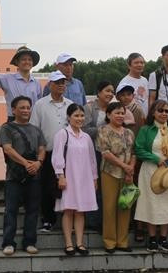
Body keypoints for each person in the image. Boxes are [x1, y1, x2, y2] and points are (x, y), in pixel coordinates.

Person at [134, 99, 168, 252]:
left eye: (166, 111)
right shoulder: (146, 129)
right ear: (153, 112)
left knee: (167, 204)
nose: (164, 113)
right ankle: (152, 239)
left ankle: (163, 238)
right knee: (152, 204)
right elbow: (138, 149)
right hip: (150, 170)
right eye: (160, 110)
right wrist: (156, 159)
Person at [0, 96, 46, 256]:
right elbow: (8, 149)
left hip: (34, 176)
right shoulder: (7, 128)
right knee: (10, 210)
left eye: (28, 107)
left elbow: (42, 148)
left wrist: (38, 163)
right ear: (14, 110)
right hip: (14, 177)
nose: (26, 110)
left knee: (32, 210)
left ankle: (29, 242)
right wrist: (26, 163)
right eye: (22, 107)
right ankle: (8, 242)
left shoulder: (36, 129)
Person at [29, 70, 73, 232]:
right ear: (50, 85)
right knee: (47, 187)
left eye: (63, 82)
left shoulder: (70, 104)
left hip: (68, 153)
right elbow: (34, 129)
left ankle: (67, 218)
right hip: (48, 152)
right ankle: (48, 219)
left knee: (68, 186)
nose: (61, 85)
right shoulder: (40, 105)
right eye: (57, 82)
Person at [52, 103, 98, 256]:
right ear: (69, 117)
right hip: (69, 177)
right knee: (69, 210)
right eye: (76, 115)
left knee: (80, 211)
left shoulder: (86, 137)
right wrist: (61, 176)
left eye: (82, 116)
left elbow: (92, 159)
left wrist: (94, 178)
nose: (80, 119)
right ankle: (69, 243)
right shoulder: (63, 134)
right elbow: (57, 156)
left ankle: (80, 242)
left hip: (84, 178)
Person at [96, 101, 137, 253]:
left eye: (122, 113)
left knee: (125, 205)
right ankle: (110, 242)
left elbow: (133, 152)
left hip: (127, 174)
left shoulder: (129, 132)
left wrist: (130, 168)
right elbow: (105, 153)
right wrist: (124, 166)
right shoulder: (103, 130)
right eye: (117, 113)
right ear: (108, 114)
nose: (120, 116)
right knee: (109, 207)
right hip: (110, 172)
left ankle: (122, 241)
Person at [0, 46, 42, 122]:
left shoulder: (36, 83)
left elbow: (39, 104)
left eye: (29, 60)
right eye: (24, 59)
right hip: (14, 120)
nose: (27, 62)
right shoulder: (8, 79)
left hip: (32, 120)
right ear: (17, 62)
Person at [82, 81, 114, 232]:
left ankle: (105, 221)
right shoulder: (89, 108)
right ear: (99, 92)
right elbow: (85, 130)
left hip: (110, 154)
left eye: (112, 91)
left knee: (106, 188)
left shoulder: (114, 109)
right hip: (93, 152)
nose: (110, 94)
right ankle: (93, 221)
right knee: (93, 187)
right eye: (107, 91)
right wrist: (105, 128)